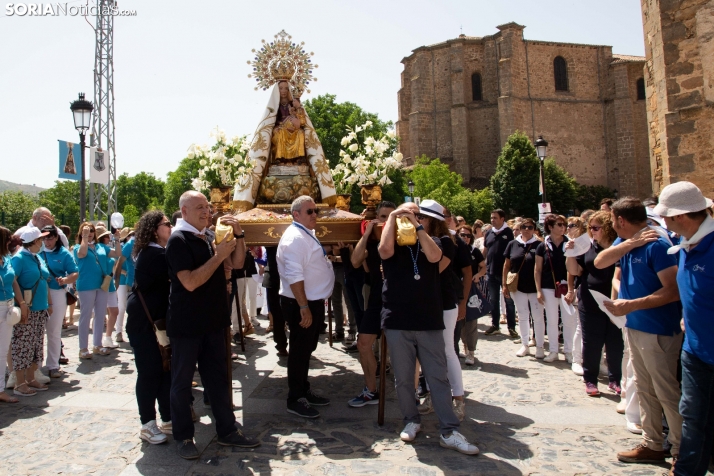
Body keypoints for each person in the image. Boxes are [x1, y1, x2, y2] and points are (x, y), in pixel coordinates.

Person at [378, 202, 478, 454]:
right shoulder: (391, 239)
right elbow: (384, 251)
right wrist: (392, 217)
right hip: (398, 318)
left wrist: (417, 226)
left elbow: (434, 257)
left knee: (437, 376)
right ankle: (411, 420)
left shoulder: (439, 242)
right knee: (403, 378)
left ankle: (449, 430)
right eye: (406, 213)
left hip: (428, 319)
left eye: (417, 213)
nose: (410, 217)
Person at [166, 191, 258, 459]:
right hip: (187, 325)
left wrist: (239, 235)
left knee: (218, 380)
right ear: (184, 212)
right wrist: (218, 257)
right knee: (182, 383)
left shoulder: (208, 236)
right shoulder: (178, 240)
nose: (207, 212)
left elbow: (237, 263)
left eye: (207, 207)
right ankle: (183, 437)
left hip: (214, 322)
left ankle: (227, 430)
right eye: (199, 208)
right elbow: (191, 282)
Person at [592, 197, 682, 466]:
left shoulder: (656, 244)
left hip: (657, 329)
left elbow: (673, 289)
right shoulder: (631, 242)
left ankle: (680, 450)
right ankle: (653, 443)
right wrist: (629, 244)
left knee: (666, 391)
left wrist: (631, 304)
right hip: (636, 326)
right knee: (644, 389)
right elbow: (600, 261)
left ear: (620, 220)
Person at [654, 182, 714, 476]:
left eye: (665, 216)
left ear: (680, 216)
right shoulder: (685, 245)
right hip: (695, 348)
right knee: (692, 414)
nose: (662, 221)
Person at [276, 196, 334, 418]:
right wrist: (303, 306)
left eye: (315, 210)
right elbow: (294, 275)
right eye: (309, 211)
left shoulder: (305, 234)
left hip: (310, 302)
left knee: (306, 349)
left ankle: (303, 388)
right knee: (299, 351)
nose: (314, 215)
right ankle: (295, 398)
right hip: (301, 303)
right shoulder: (295, 238)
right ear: (296, 215)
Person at [414, 200, 467, 420]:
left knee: (446, 350)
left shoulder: (446, 241)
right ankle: (435, 396)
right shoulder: (425, 239)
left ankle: (458, 399)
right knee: (429, 352)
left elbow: (435, 270)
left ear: (433, 221)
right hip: (430, 302)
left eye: (422, 218)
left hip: (444, 303)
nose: (418, 221)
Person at [126, 211, 173, 445]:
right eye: (167, 224)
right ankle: (147, 424)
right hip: (144, 323)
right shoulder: (155, 254)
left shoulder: (158, 252)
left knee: (164, 368)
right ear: (155, 230)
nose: (171, 226)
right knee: (149, 372)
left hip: (156, 321)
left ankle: (167, 418)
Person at [565, 211, 623, 396]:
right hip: (590, 300)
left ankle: (615, 379)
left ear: (606, 228)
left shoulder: (619, 246)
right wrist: (571, 253)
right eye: (590, 228)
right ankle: (590, 379)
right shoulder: (587, 247)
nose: (592, 231)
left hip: (613, 299)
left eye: (596, 228)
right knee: (591, 341)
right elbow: (575, 270)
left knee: (615, 340)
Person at [347, 201, 395, 408]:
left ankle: (415, 385)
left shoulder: (404, 240)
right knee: (363, 344)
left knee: (407, 347)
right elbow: (356, 261)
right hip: (377, 299)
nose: (387, 222)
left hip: (400, 300)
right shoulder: (372, 242)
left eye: (391, 218)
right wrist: (366, 235)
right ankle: (370, 389)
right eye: (383, 217)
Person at [11, 226, 51, 397]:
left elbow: (43, 278)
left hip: (39, 308)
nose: (43, 242)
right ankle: (20, 383)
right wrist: (21, 303)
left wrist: (48, 302)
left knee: (36, 345)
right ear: (33, 242)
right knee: (23, 345)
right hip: (27, 309)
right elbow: (13, 281)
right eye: (40, 239)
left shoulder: (36, 257)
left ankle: (31, 377)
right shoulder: (19, 258)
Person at [503, 218, 544, 358]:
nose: (527, 229)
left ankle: (539, 346)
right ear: (520, 229)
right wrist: (504, 285)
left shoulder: (539, 245)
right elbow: (507, 265)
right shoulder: (513, 244)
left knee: (538, 317)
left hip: (535, 287)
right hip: (518, 287)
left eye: (530, 227)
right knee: (522, 316)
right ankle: (525, 344)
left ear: (534, 229)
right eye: (524, 227)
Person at [40, 225, 78, 378]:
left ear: (56, 237)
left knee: (54, 330)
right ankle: (36, 366)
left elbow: (75, 272)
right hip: (39, 293)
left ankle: (53, 364)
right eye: (44, 238)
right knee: (37, 332)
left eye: (49, 238)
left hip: (56, 293)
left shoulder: (63, 253)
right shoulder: (36, 251)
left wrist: (65, 280)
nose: (46, 241)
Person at [74, 222, 116, 358]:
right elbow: (82, 253)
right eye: (87, 230)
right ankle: (83, 348)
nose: (90, 232)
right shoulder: (77, 247)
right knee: (85, 316)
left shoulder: (100, 247)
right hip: (86, 285)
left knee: (100, 315)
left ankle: (97, 344)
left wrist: (117, 239)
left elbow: (118, 253)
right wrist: (85, 237)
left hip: (101, 284)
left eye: (92, 230)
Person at [534, 214, 571, 363]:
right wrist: (538, 290)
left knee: (568, 320)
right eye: (559, 224)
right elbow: (537, 270)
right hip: (548, 286)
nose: (563, 227)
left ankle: (569, 351)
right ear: (550, 227)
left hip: (567, 286)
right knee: (552, 319)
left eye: (564, 225)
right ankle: (553, 350)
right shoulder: (542, 246)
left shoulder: (569, 243)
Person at [0, 226, 24, 403]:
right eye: (8, 239)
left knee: (2, 350)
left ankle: (0, 389)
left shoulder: (6, 258)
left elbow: (14, 281)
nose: (11, 243)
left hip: (8, 307)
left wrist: (21, 302)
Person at [483, 209, 517, 337]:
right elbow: (485, 250)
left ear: (502, 219)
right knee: (493, 300)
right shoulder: (489, 232)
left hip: (504, 272)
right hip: (491, 271)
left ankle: (511, 327)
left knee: (509, 300)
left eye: (495, 218)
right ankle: (495, 325)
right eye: (491, 218)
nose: (492, 220)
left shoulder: (508, 233)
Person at [456, 225, 486, 365]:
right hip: (457, 290)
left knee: (471, 321)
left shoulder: (474, 251)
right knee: (458, 322)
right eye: (462, 235)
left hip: (471, 290)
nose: (465, 238)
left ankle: (471, 352)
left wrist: (478, 275)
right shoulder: (454, 249)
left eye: (468, 235)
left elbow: (484, 266)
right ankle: (464, 347)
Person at [565, 216, 587, 376]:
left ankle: (598, 361)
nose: (568, 228)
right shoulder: (575, 245)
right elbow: (572, 271)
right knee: (580, 326)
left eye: (571, 225)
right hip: (582, 287)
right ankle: (577, 359)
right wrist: (571, 289)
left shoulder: (587, 243)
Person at [96, 225, 122, 349]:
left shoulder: (106, 248)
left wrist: (117, 239)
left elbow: (118, 254)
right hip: (100, 284)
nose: (108, 237)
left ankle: (107, 337)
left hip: (109, 283)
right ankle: (98, 340)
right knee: (100, 313)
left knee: (114, 311)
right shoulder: (98, 249)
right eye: (107, 236)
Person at [262, 247, 287, 357]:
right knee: (277, 314)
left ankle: (298, 344)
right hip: (273, 275)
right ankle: (281, 345)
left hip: (291, 275)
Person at [113, 227, 135, 344]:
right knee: (121, 307)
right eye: (129, 234)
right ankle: (118, 332)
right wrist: (123, 273)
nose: (131, 236)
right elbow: (116, 265)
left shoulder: (135, 247)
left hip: (130, 280)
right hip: (122, 280)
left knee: (129, 307)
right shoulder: (121, 248)